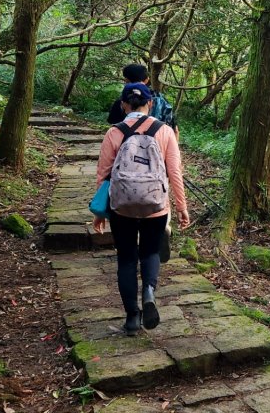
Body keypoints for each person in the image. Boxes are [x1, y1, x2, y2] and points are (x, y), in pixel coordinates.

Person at [93, 83, 191, 336]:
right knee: (150, 252)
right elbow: (174, 172)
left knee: (126, 259)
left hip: (121, 207)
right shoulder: (165, 131)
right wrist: (181, 207)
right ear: (150, 103)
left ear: (124, 105)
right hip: (156, 207)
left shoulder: (114, 132)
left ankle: (132, 318)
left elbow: (103, 175)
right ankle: (149, 290)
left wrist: (99, 212)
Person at [107, 64, 176, 131]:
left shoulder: (122, 101)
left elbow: (114, 126)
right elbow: (173, 128)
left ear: (126, 80)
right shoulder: (161, 100)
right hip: (158, 141)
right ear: (147, 80)